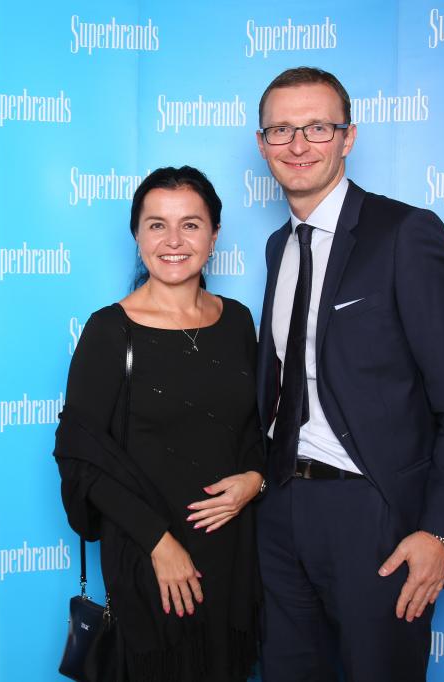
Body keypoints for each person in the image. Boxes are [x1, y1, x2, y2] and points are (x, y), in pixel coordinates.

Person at [252, 67, 444, 681]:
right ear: (262, 144)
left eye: (317, 127)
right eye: (281, 130)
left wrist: (441, 533)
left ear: (348, 137)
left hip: (374, 514)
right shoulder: (279, 248)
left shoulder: (405, 234)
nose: (298, 145)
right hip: (281, 509)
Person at [55, 166, 265, 681]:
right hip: (150, 557)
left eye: (190, 225)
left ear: (214, 235)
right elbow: (81, 458)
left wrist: (256, 480)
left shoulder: (239, 321)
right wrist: (159, 543)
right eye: (157, 225)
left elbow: (259, 429)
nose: (173, 241)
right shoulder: (109, 331)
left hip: (233, 554)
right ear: (137, 235)